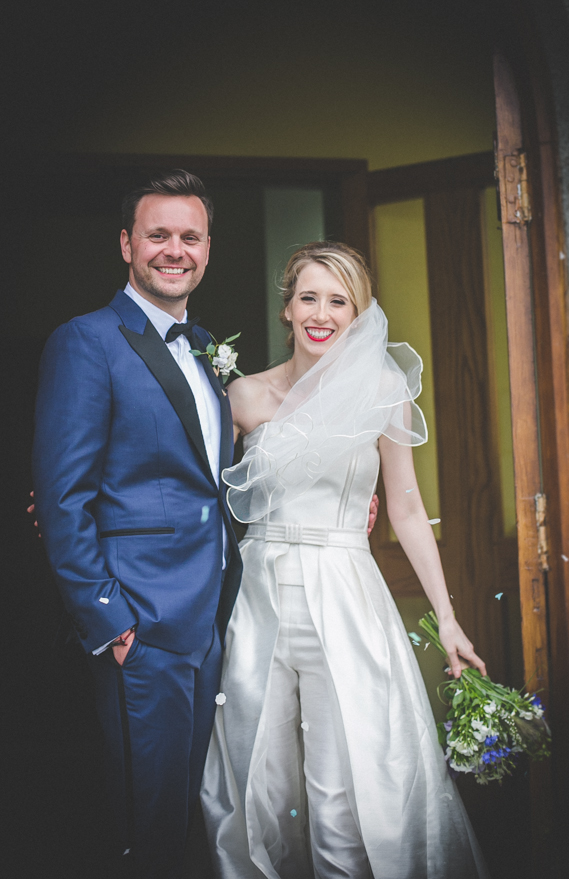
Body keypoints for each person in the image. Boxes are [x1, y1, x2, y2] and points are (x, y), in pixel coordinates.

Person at [200, 241, 490, 878]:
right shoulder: (244, 397)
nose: (322, 313)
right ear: (288, 308)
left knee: (344, 791)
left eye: (340, 301)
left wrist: (447, 618)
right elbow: (197, 494)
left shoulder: (383, 393)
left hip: (347, 595)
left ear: (359, 316)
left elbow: (409, 510)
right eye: (309, 297)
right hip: (260, 598)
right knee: (256, 782)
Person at [32, 170, 243, 879]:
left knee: (185, 818)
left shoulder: (208, 347)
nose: (173, 249)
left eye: (189, 235)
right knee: (143, 828)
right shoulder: (86, 341)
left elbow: (212, 481)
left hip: (208, 621)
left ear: (208, 247)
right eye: (158, 234)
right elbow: (62, 496)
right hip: (142, 624)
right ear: (127, 243)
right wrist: (112, 623)